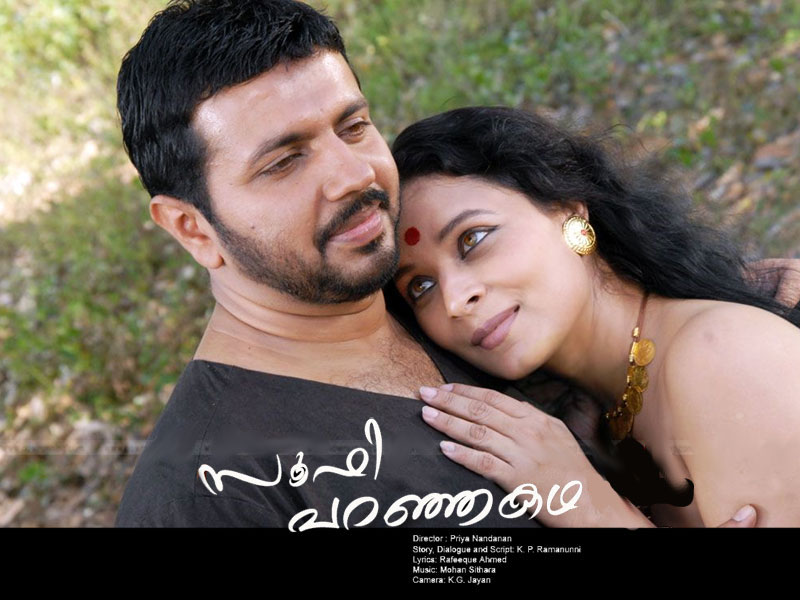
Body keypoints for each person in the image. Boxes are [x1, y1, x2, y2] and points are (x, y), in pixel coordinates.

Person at [114, 0, 773, 528]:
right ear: (191, 228)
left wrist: (743, 317)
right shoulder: (202, 490)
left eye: (353, 126)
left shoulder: (443, 324)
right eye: (284, 162)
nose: (353, 174)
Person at [390, 106, 800, 527]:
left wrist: (591, 508)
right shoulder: (591, 418)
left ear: (568, 209)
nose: (454, 300)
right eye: (421, 286)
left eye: (472, 239)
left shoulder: (722, 355)